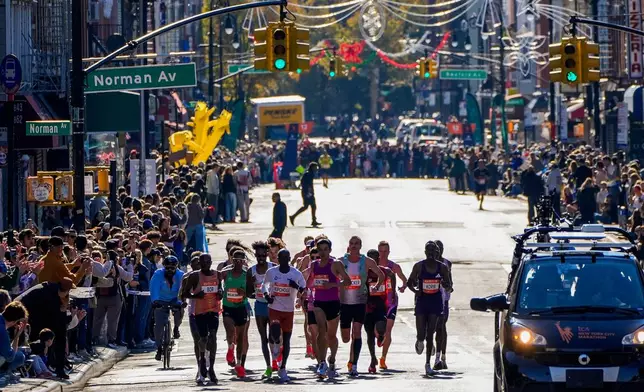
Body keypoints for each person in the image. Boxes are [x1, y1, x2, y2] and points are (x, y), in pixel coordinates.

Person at [340, 236, 384, 376]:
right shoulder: (341, 261)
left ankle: (353, 364)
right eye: (351, 243)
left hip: (360, 302)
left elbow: (381, 275)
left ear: (360, 246)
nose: (353, 246)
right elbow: (332, 275)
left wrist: (376, 287)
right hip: (345, 302)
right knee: (346, 337)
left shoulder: (367, 261)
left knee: (357, 333)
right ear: (349, 245)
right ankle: (351, 360)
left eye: (356, 244)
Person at [407, 241, 452, 376]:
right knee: (422, 333)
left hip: (435, 301)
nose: (432, 253)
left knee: (431, 332)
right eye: (429, 251)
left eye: (434, 251)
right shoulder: (419, 266)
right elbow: (410, 282)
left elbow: (449, 286)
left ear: (437, 253)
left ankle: (427, 363)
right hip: (422, 301)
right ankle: (420, 339)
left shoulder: (443, 267)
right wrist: (416, 291)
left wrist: (445, 284)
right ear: (425, 252)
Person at [262, 249, 307, 382]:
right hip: (274, 307)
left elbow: (304, 288)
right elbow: (263, 285)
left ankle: (283, 368)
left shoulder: (295, 274)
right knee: (275, 330)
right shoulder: (272, 272)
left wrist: (296, 287)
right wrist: (266, 296)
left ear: (289, 259)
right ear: (278, 259)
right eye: (281, 257)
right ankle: (275, 345)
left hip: (288, 310)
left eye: (286, 258)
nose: (283, 260)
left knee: (286, 340)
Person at [16, 278, 74, 379]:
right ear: (65, 291)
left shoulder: (52, 290)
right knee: (47, 339)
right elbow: (56, 320)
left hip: (34, 315)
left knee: (58, 336)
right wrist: (65, 314)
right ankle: (44, 367)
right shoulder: (47, 294)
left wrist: (65, 314)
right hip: (26, 315)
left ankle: (57, 367)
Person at [180, 254, 222, 384]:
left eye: (208, 262)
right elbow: (184, 294)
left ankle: (212, 368)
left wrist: (221, 292)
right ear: (199, 263)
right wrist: (196, 296)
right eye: (203, 262)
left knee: (213, 336)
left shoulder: (217, 274)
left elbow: (220, 288)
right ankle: (202, 360)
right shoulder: (194, 276)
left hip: (214, 310)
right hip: (199, 312)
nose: (205, 265)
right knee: (202, 338)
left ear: (211, 262)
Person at [221, 247, 252, 378]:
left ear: (244, 261)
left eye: (241, 260)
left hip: (241, 308)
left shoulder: (247, 275)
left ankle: (239, 364)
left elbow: (252, 293)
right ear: (232, 260)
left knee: (240, 337)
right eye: (236, 260)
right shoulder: (225, 273)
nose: (238, 262)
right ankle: (230, 348)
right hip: (228, 307)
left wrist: (243, 293)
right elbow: (214, 280)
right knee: (229, 331)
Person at [376, 241, 407, 370]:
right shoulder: (373, 266)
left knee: (388, 329)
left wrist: (403, 287)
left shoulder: (394, 266)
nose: (383, 254)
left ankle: (383, 358)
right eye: (381, 251)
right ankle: (379, 336)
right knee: (377, 330)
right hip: (377, 301)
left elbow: (404, 279)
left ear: (389, 252)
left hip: (390, 301)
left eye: (385, 251)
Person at [364, 249, 395, 374]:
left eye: (374, 258)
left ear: (378, 259)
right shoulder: (364, 272)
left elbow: (392, 274)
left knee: (381, 326)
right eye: (369, 258)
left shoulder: (384, 270)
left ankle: (381, 336)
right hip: (367, 306)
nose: (372, 261)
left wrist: (392, 291)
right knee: (369, 334)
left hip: (380, 305)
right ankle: (373, 359)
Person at [150, 255, 185, 361]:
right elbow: (154, 287)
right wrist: (155, 301)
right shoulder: (158, 274)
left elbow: (182, 289)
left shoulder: (181, 275)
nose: (170, 270)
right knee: (159, 325)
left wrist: (180, 302)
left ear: (176, 267)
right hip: (161, 299)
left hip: (175, 298)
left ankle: (176, 328)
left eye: (172, 268)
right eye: (167, 268)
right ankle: (159, 348)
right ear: (164, 267)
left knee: (179, 311)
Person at [249, 241, 275, 378]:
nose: (260, 258)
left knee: (274, 337)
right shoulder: (251, 271)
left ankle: (277, 356)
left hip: (273, 306)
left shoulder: (273, 268)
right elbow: (248, 292)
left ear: (267, 255)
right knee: (263, 338)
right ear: (255, 255)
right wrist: (254, 289)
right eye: (258, 256)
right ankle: (268, 367)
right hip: (259, 306)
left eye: (263, 255)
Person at [179, 255, 204, 382]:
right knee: (197, 340)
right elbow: (181, 293)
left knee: (208, 340)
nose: (196, 267)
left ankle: (207, 366)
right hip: (193, 312)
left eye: (198, 264)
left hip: (208, 311)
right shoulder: (186, 277)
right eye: (193, 264)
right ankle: (200, 368)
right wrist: (183, 300)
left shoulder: (208, 275)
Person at [434, 240, 453, 371]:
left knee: (441, 327)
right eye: (436, 249)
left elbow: (450, 282)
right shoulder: (425, 265)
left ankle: (442, 358)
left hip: (443, 301)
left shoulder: (447, 264)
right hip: (429, 301)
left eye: (440, 248)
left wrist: (448, 287)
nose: (438, 251)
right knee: (430, 328)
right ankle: (431, 345)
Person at [0, 301, 28, 384]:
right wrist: (17, 336)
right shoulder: (2, 330)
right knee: (19, 356)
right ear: (14, 321)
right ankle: (3, 375)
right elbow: (10, 357)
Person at [290, 162, 321, 227]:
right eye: (315, 167)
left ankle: (313, 220)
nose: (316, 169)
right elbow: (306, 184)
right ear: (312, 167)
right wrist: (309, 192)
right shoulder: (309, 174)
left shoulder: (309, 173)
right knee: (307, 206)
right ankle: (293, 216)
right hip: (307, 192)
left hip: (307, 192)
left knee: (312, 206)